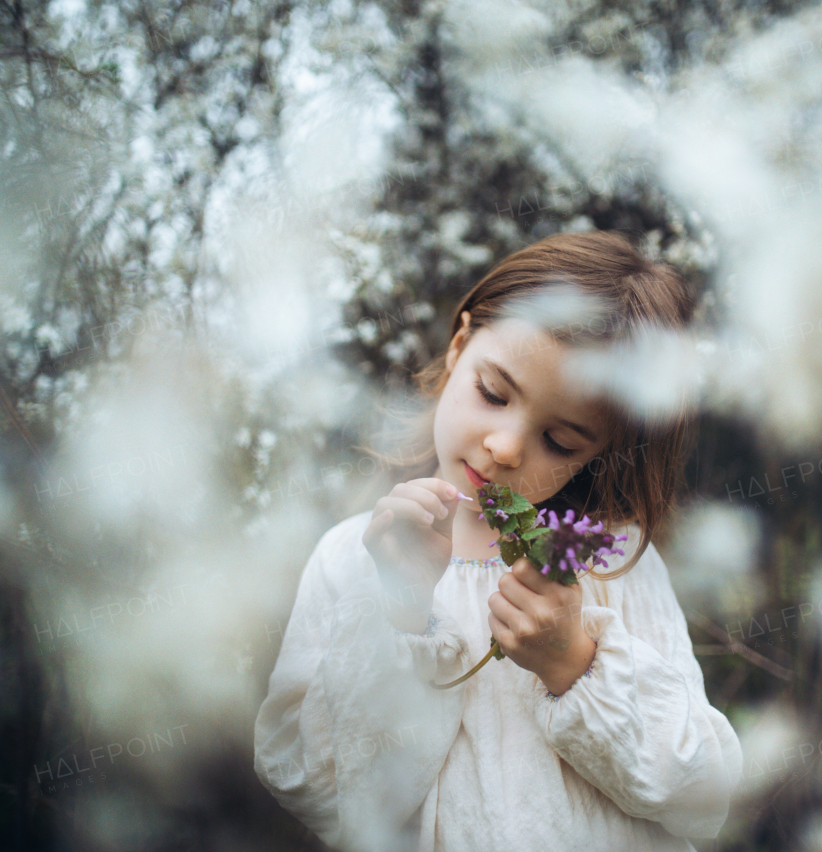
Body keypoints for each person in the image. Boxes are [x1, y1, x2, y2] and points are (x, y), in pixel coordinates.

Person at [254, 231, 743, 852]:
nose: (507, 447)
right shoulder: (353, 556)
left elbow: (702, 798)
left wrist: (574, 663)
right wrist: (400, 612)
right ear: (459, 347)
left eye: (560, 442)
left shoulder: (609, 562)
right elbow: (321, 792)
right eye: (493, 393)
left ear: (598, 452)